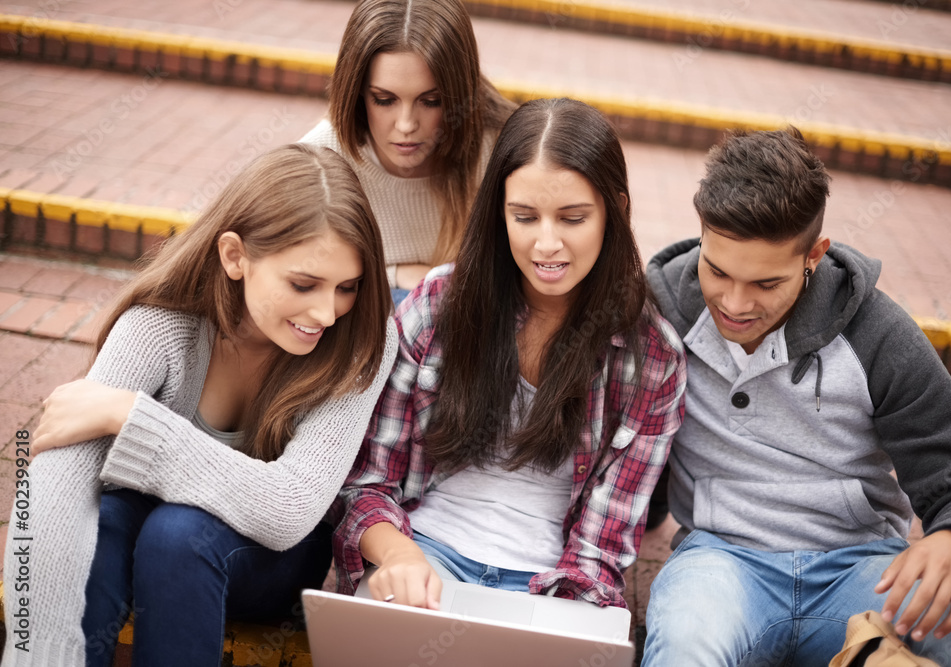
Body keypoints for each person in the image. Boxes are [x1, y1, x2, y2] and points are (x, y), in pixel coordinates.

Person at [2, 144, 398, 667]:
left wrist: (133, 420)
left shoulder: (363, 341)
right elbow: (54, 473)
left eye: (347, 287)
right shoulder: (160, 324)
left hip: (269, 557)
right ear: (235, 256)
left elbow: (289, 508)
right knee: (104, 521)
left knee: (179, 535)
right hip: (146, 528)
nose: (326, 312)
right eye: (303, 284)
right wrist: (39, 650)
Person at [642, 127, 951, 666]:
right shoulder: (666, 311)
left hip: (862, 571)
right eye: (717, 271)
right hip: (720, 564)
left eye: (766, 284)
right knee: (685, 642)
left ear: (814, 255)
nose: (734, 303)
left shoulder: (880, 335)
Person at [328, 97, 686, 611]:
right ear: (499, 213)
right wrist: (400, 556)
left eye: (572, 218)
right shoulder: (437, 307)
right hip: (422, 553)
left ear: (616, 211)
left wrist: (554, 615)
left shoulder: (651, 359)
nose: (546, 244)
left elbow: (601, 549)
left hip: (554, 583)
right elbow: (368, 482)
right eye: (524, 216)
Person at [301, 0, 515, 303]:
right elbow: (284, 270)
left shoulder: (498, 150)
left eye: (431, 101)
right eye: (384, 100)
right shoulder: (320, 156)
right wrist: (394, 274)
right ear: (358, 90)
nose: (406, 125)